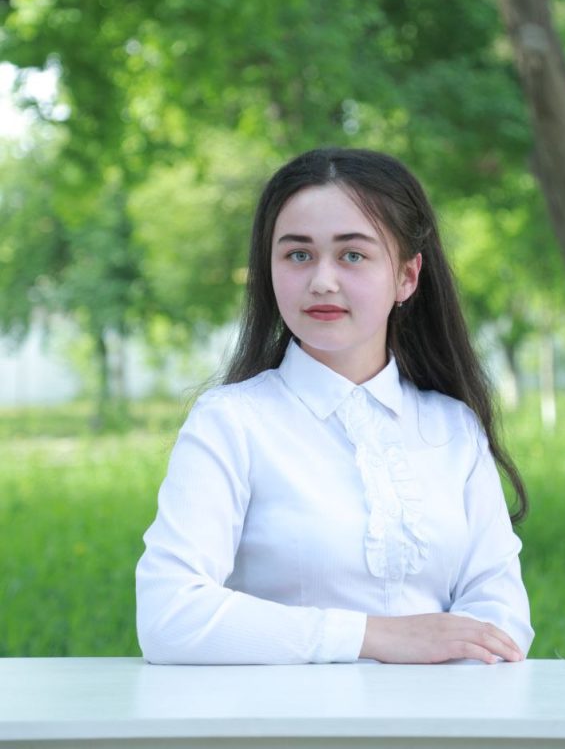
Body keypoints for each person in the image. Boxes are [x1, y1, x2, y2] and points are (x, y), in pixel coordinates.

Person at [136, 147, 533, 665]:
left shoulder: (452, 426)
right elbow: (169, 616)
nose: (322, 280)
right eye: (298, 255)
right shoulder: (231, 423)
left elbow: (499, 619)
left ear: (407, 277)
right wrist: (375, 637)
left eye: (352, 255)